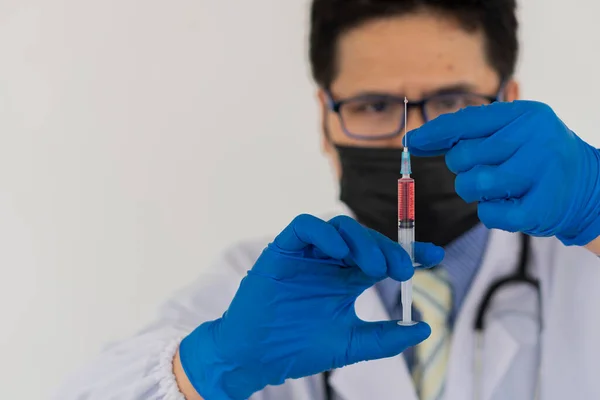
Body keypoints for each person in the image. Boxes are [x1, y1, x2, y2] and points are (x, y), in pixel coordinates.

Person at [56, 0, 600, 399]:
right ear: (325, 116)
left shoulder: (583, 263)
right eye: (373, 106)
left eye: (454, 100)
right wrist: (207, 366)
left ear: (509, 100)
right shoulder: (256, 288)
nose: (408, 135)